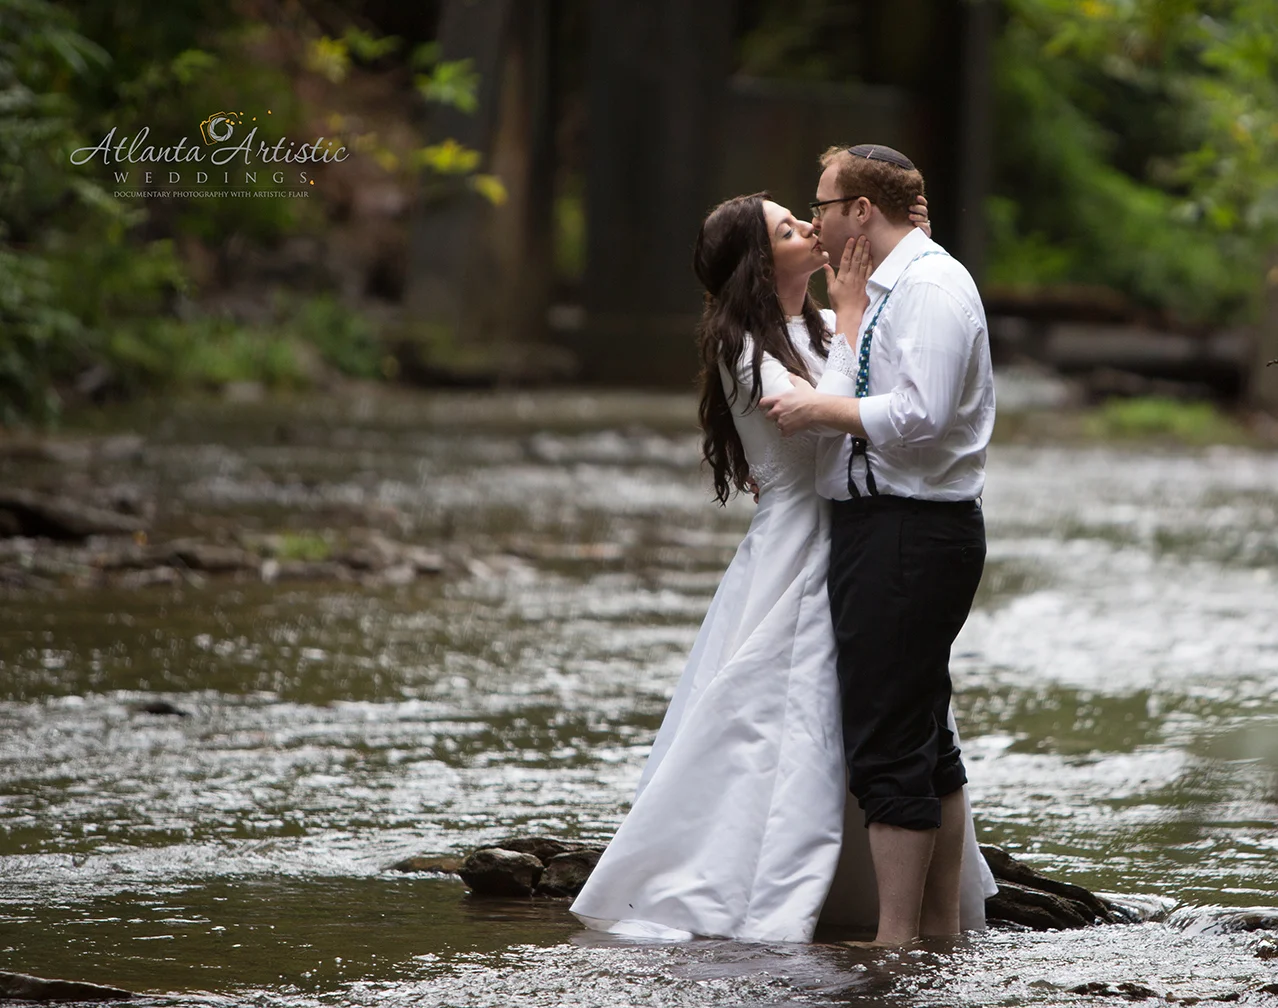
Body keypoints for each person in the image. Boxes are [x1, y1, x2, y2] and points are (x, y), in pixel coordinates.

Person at [568, 186, 994, 944]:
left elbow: (874, 383)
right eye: (791, 229)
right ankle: (764, 884)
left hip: (866, 529)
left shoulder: (829, 318)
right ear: (764, 266)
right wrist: (857, 315)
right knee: (778, 717)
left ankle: (907, 911)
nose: (810, 228)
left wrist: (895, 251)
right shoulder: (744, 345)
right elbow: (828, 425)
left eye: (806, 217)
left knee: (898, 715)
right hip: (802, 539)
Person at [759, 144, 997, 946]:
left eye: (821, 205)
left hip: (911, 529)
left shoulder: (929, 288)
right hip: (888, 527)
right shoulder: (885, 289)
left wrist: (818, 415)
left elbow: (922, 415)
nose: (815, 219)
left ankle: (899, 942)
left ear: (862, 210)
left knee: (890, 734)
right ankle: (936, 930)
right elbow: (866, 380)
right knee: (923, 727)